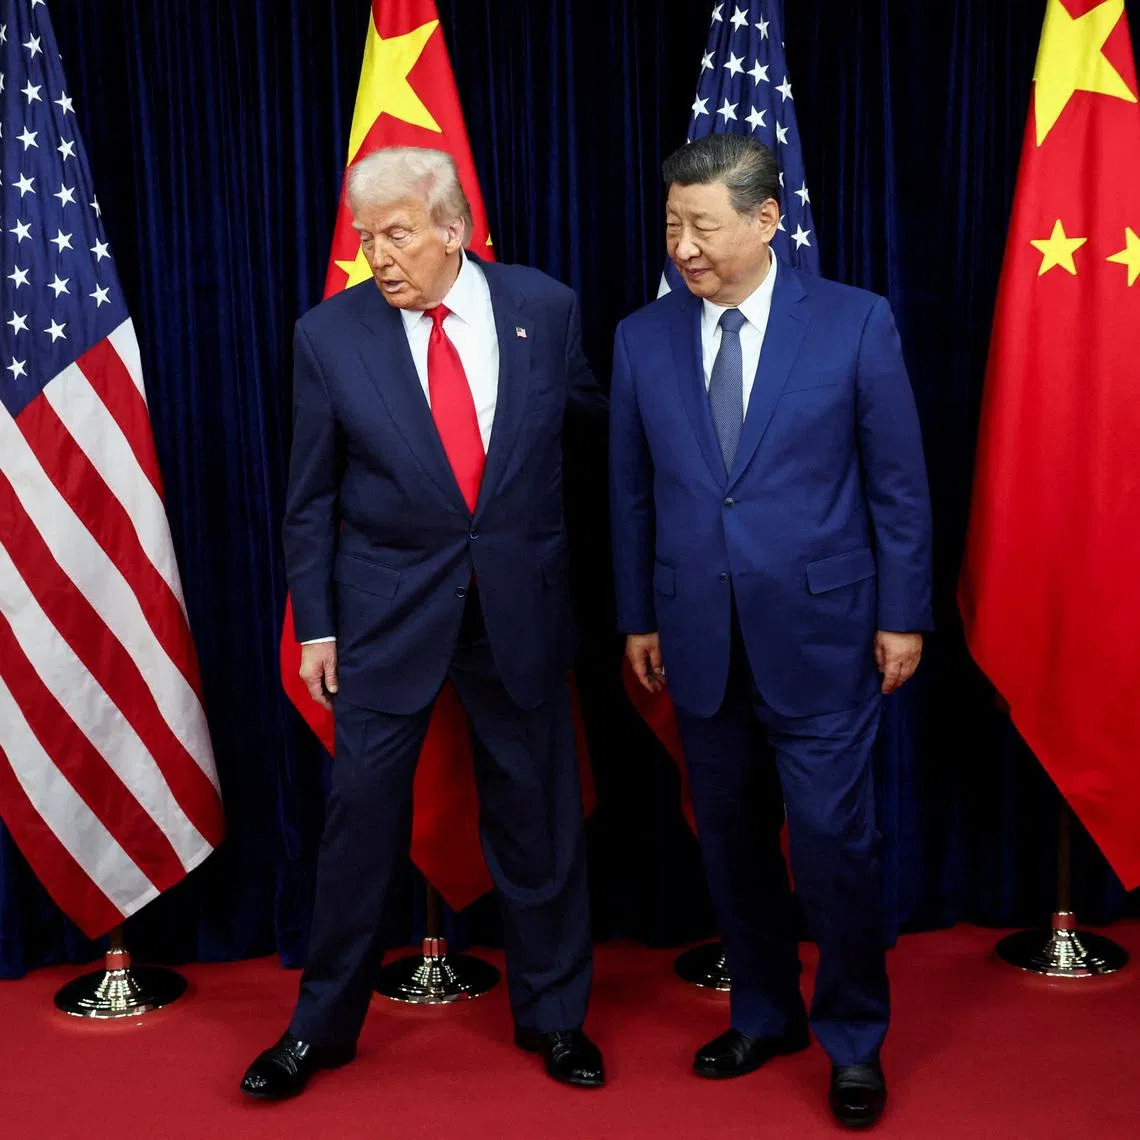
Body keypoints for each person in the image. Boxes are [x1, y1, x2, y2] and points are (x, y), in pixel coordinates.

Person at [242, 146, 606, 1100]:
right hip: (385, 616)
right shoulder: (328, 336)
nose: (379, 257)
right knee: (359, 829)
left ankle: (558, 1018)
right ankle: (319, 1030)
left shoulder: (545, 307)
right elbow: (308, 499)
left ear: (454, 231)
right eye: (367, 239)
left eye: (397, 234)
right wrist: (316, 625)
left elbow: (583, 450)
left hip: (517, 610)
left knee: (538, 823)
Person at [609, 134, 932, 1130]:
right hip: (697, 636)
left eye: (703, 225)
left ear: (766, 220)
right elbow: (630, 496)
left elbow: (897, 486)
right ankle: (763, 1013)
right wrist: (636, 616)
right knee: (733, 844)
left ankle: (852, 1041)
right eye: (673, 226)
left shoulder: (853, 322)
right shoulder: (642, 337)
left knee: (836, 845)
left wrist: (903, 614)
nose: (686, 247)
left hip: (829, 635)